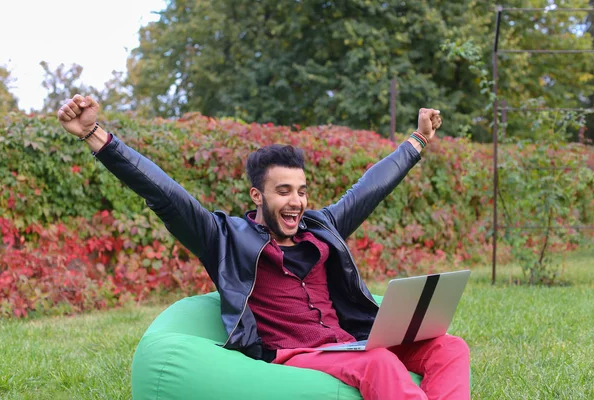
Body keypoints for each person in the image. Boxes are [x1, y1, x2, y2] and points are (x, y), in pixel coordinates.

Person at [58, 94, 469, 400]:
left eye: (302, 191)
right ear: (257, 196)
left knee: (450, 347)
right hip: (294, 354)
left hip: (349, 341)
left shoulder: (321, 226)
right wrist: (98, 136)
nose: (297, 201)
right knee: (380, 363)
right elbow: (165, 194)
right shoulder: (224, 238)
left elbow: (371, 188)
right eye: (284, 191)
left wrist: (419, 139)